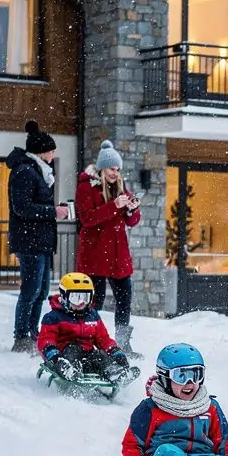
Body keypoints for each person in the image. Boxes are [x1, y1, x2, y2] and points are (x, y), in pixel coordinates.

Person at [75, 139, 142, 357]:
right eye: (112, 169)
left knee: (124, 298)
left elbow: (132, 221)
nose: (115, 173)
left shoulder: (120, 187)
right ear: (102, 168)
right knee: (95, 300)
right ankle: (88, 343)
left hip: (118, 253)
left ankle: (122, 344)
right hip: (95, 253)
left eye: (118, 169)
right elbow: (87, 219)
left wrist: (132, 210)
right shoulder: (86, 187)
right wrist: (114, 206)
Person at [7, 120, 69, 351]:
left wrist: (55, 209)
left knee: (41, 291)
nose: (53, 155)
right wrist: (53, 211)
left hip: (41, 241)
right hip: (29, 241)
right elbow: (21, 208)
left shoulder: (37, 172)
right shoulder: (25, 171)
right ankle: (22, 337)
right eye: (51, 151)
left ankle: (32, 335)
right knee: (31, 291)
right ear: (41, 152)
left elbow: (34, 204)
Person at [38, 272, 132, 384]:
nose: (81, 303)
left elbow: (103, 339)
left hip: (87, 356)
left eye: (85, 297)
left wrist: (115, 351)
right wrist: (55, 357)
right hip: (64, 356)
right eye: (76, 298)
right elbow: (46, 340)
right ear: (64, 297)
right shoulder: (53, 317)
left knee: (99, 356)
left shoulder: (93, 316)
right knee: (72, 349)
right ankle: (69, 371)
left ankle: (113, 372)